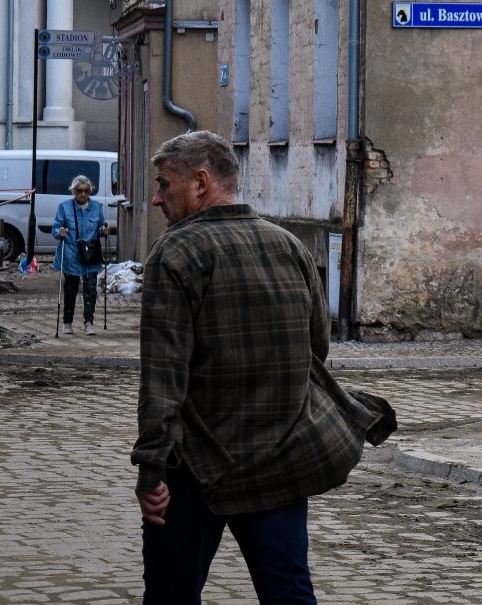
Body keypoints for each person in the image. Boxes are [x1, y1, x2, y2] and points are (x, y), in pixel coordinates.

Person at [132, 130, 394, 604]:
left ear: (200, 182)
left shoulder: (175, 254)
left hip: (196, 465)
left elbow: (162, 378)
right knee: (288, 593)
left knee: (171, 594)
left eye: (164, 185)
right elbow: (315, 348)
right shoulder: (290, 247)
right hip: (280, 459)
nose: (156, 198)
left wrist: (151, 470)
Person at [53, 174, 110, 336]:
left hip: (90, 255)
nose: (83, 194)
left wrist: (103, 231)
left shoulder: (97, 207)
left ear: (90, 191)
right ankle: (67, 322)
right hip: (71, 255)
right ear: (74, 192)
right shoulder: (64, 207)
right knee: (70, 290)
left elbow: (100, 227)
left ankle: (89, 322)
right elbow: (55, 228)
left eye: (86, 191)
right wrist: (60, 232)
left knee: (90, 290)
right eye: (79, 191)